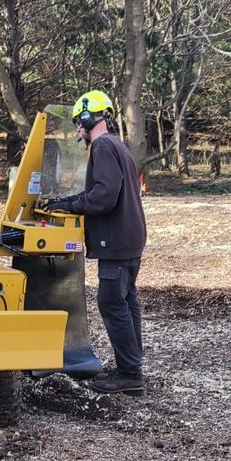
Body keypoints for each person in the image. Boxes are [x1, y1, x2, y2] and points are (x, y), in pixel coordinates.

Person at [42, 90, 147, 395]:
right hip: (130, 237)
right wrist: (67, 202)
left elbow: (103, 196)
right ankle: (132, 365)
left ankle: (129, 375)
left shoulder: (101, 146)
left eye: (79, 121)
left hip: (116, 241)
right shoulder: (117, 145)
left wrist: (74, 207)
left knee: (111, 302)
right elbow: (102, 190)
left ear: (90, 118)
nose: (78, 128)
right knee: (126, 301)